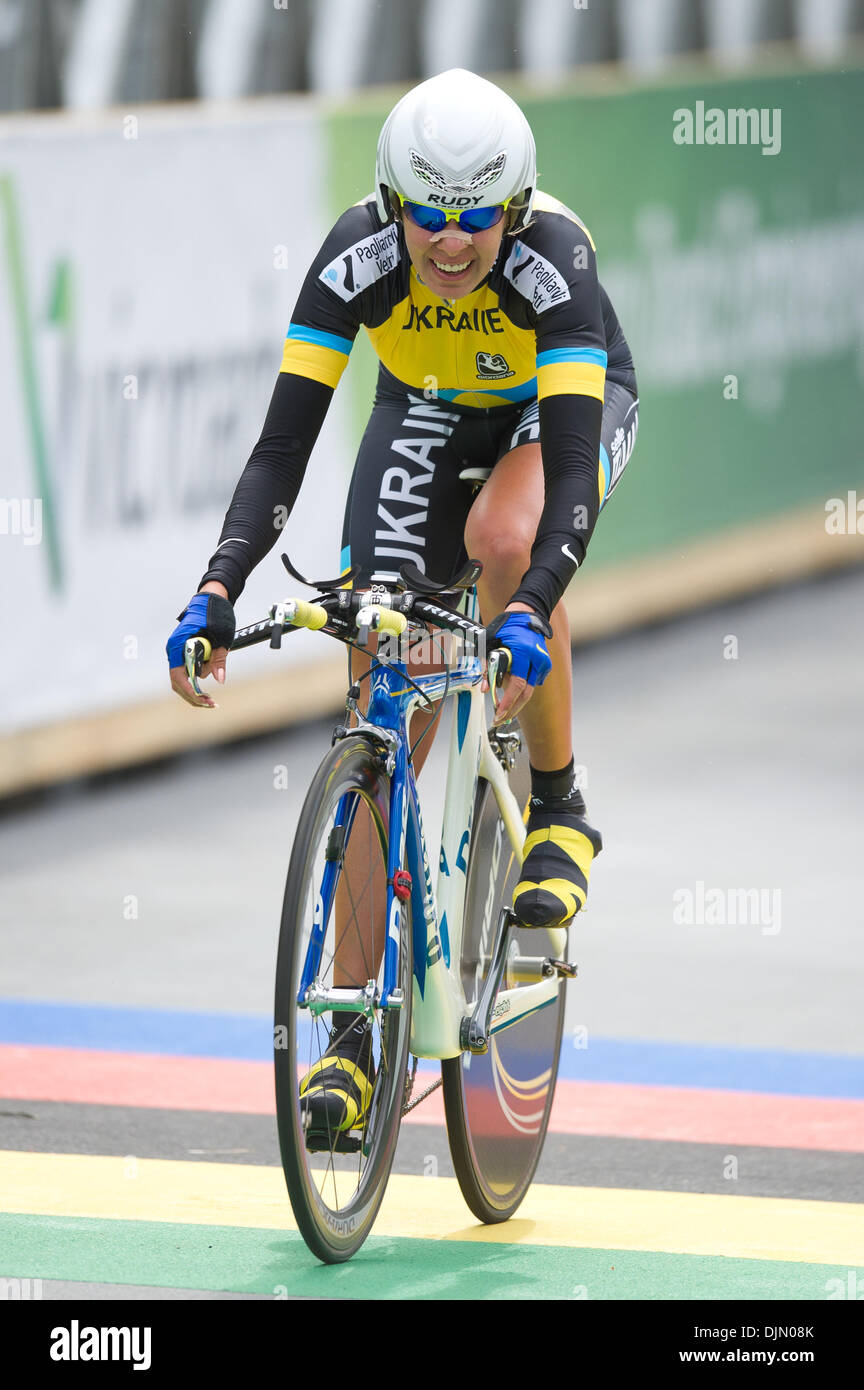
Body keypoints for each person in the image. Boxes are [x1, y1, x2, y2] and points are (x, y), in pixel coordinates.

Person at [166, 68, 638, 1135]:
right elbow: (281, 450)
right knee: (383, 681)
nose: (454, 242)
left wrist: (530, 610)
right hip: (424, 411)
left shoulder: (554, 262)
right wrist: (215, 586)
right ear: (392, 203)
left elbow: (568, 479)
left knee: (502, 540)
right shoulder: (354, 261)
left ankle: (559, 809)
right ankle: (349, 1044)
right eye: (429, 216)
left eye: (478, 217)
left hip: (551, 410)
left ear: (515, 208)